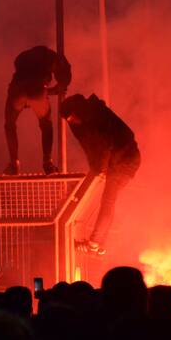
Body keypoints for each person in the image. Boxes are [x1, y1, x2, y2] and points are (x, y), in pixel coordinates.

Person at [60, 93, 140, 255]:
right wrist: (99, 168)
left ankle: (95, 243)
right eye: (68, 119)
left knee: (108, 201)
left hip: (124, 161)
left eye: (71, 117)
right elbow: (94, 147)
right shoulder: (90, 115)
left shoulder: (96, 118)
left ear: (77, 111)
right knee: (108, 201)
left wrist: (101, 169)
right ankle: (98, 243)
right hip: (122, 160)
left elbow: (104, 145)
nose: (70, 122)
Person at [4, 45, 72, 175]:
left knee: (9, 125)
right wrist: (58, 87)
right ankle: (48, 162)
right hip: (37, 90)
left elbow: (24, 79)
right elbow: (64, 74)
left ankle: (14, 164)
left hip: (17, 90)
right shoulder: (51, 57)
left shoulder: (21, 58)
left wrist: (50, 90)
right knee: (46, 125)